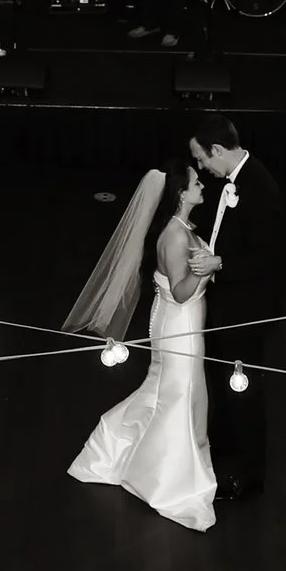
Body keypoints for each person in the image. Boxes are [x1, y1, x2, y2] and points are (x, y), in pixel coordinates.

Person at [63, 155, 222, 531]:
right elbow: (182, 293)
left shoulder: (182, 228)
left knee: (165, 390)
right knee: (180, 392)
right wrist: (209, 268)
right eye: (196, 183)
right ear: (181, 194)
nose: (202, 186)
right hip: (178, 323)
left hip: (185, 323)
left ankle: (120, 446)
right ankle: (169, 478)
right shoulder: (174, 236)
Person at [189, 114, 285, 503]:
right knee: (221, 381)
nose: (200, 167)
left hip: (247, 310)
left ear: (217, 150)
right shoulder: (226, 183)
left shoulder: (261, 189)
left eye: (201, 159)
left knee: (243, 389)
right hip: (223, 304)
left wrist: (220, 263)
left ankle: (248, 477)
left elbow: (270, 260)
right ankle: (223, 451)